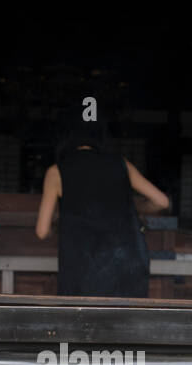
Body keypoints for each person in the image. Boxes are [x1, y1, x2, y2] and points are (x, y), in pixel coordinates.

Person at [35, 121, 170, 298]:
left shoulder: (56, 172)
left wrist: (56, 226)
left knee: (84, 323)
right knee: (126, 323)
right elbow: (162, 202)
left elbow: (42, 231)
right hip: (125, 266)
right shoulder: (121, 165)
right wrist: (134, 206)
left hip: (81, 269)